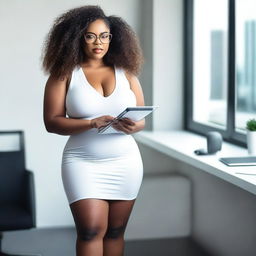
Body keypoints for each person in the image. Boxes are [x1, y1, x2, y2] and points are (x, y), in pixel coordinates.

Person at [42, 5, 145, 256]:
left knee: (115, 231)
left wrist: (133, 125)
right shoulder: (64, 74)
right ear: (78, 38)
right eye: (90, 36)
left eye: (104, 36)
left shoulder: (127, 72)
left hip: (125, 161)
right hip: (83, 162)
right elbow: (52, 122)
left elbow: (141, 119)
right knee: (89, 230)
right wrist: (91, 123)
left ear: (113, 38)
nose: (98, 42)